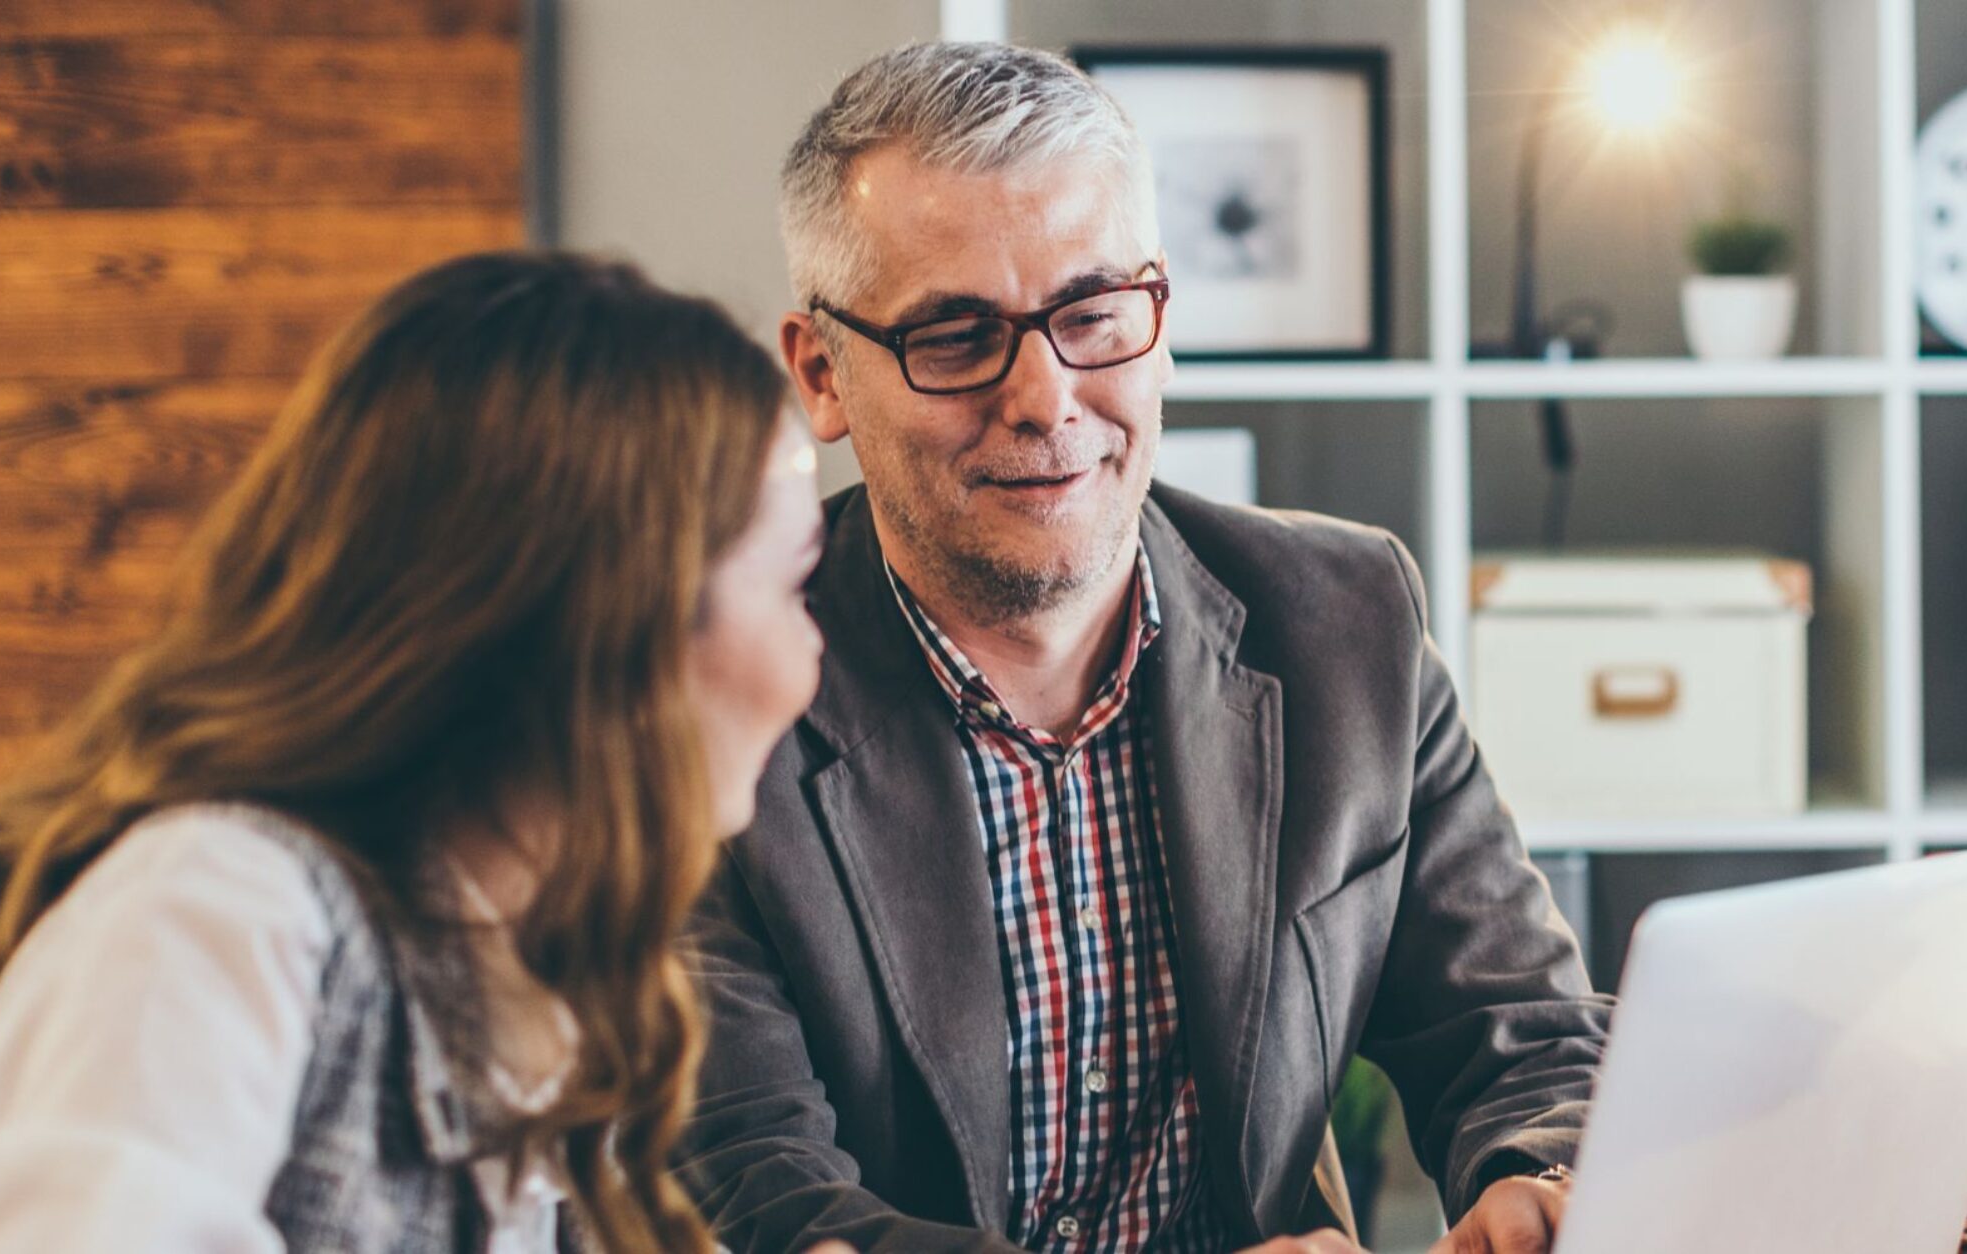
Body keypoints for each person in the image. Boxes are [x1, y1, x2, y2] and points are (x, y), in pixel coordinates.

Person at [678, 42, 1611, 1254]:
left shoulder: (1344, 617)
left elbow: (1520, 1032)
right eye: (958, 338)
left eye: (1094, 315)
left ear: (1160, 317)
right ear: (823, 374)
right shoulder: (713, 692)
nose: (1047, 397)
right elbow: (750, 1196)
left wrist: (1541, 1176)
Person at [0, 251, 824, 1253]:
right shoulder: (212, 912)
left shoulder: (515, 968)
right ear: (614, 635)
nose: (812, 650)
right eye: (791, 589)